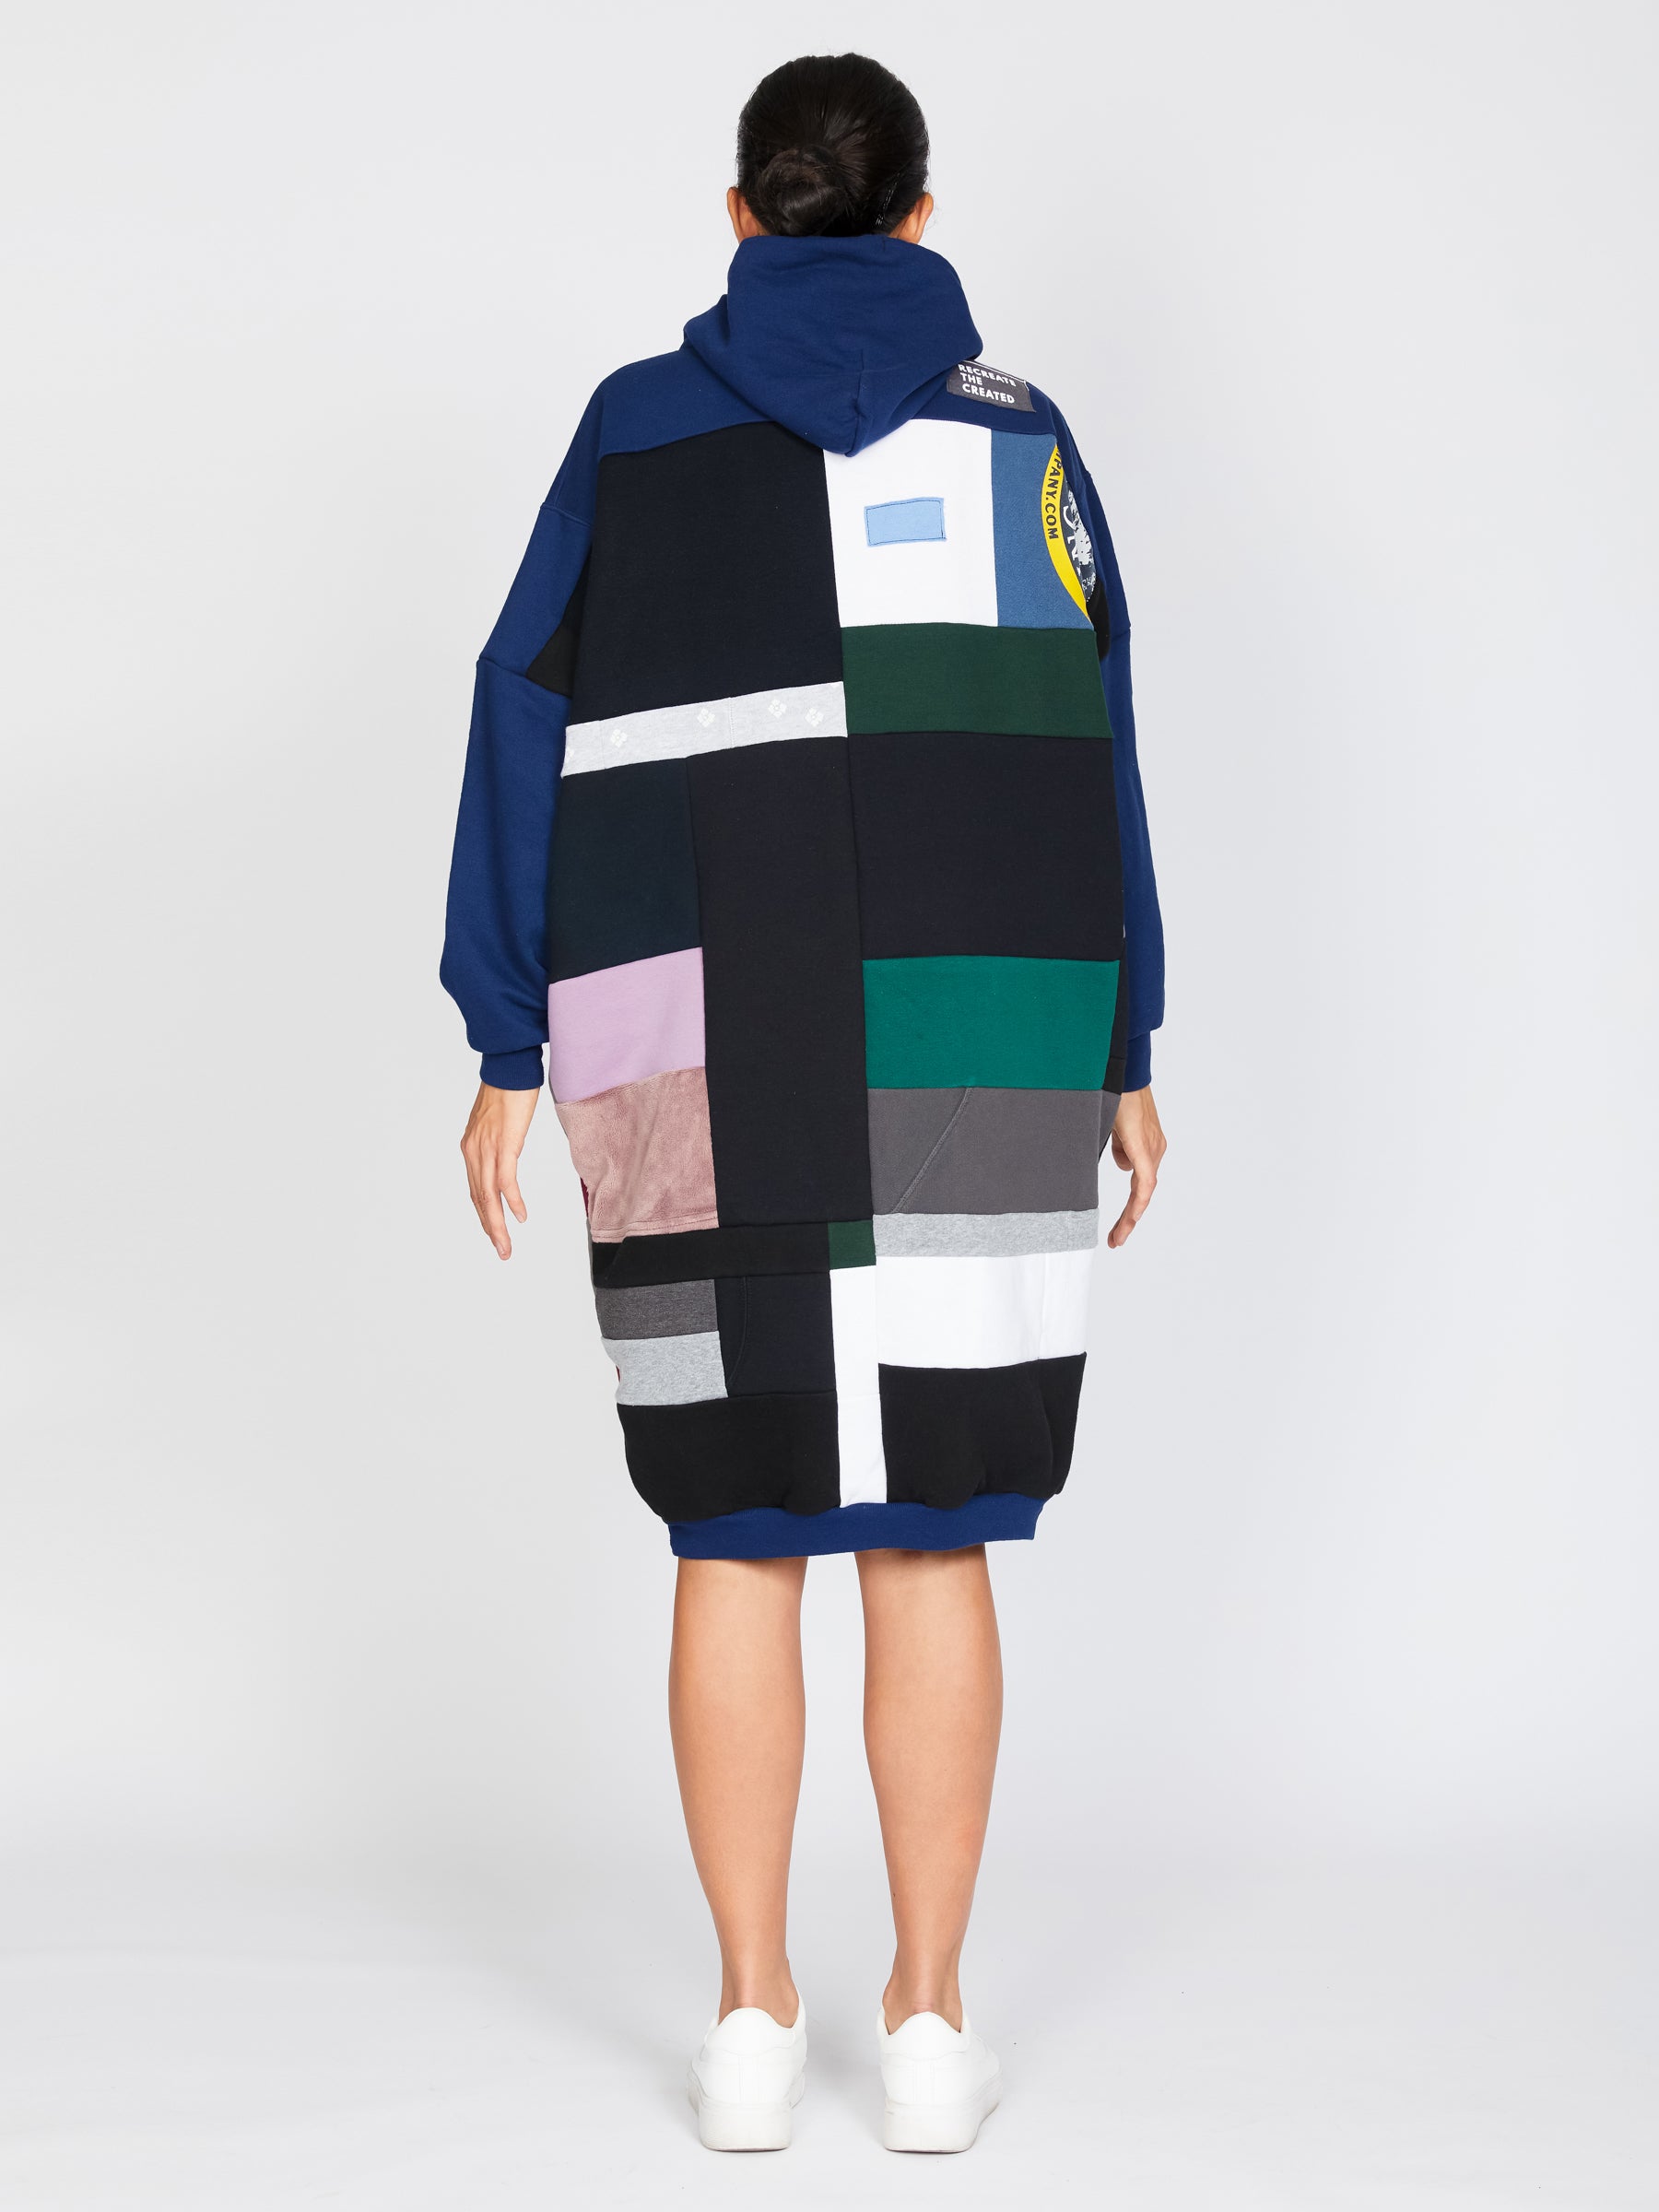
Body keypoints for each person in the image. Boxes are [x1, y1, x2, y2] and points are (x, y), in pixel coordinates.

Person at [441, 51, 1166, 2154]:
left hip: (690, 1030)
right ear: (920, 218)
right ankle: (927, 2030)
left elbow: (519, 710)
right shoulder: (1021, 437)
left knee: (737, 1527)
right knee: (934, 1531)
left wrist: (508, 1039)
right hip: (981, 1026)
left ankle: (752, 2022)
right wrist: (1128, 1042)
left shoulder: (637, 430)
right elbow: (1094, 736)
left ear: (742, 216)